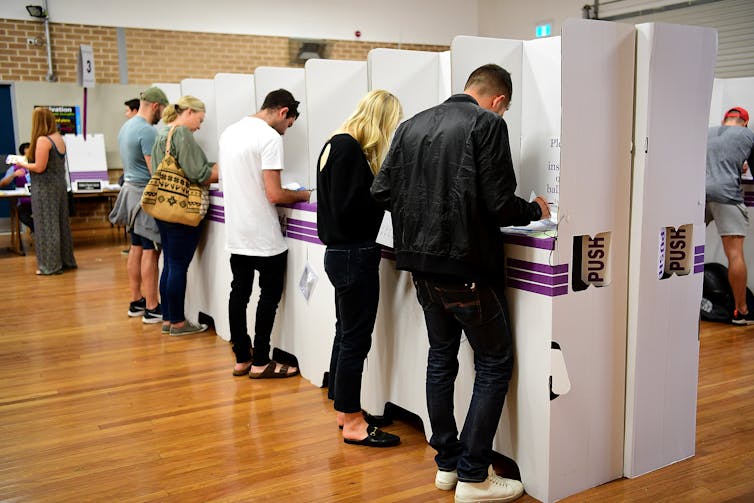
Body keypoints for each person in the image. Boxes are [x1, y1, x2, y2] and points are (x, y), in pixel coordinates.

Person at [371, 64, 550, 503]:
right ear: (498, 100)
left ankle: (448, 465)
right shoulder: (487, 124)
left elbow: (382, 191)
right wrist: (535, 210)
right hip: (467, 266)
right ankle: (473, 475)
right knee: (494, 362)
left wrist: (422, 217)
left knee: (441, 358)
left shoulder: (411, 125)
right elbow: (498, 203)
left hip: (420, 266)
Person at [316, 90, 403, 447]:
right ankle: (352, 420)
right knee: (355, 339)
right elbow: (354, 208)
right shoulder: (351, 149)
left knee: (345, 333)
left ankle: (345, 408)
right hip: (354, 254)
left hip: (339, 254)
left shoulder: (333, 144)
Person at [218, 89, 310, 379]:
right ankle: (261, 361)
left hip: (236, 234)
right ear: (283, 112)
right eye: (289, 125)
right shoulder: (268, 138)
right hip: (264, 236)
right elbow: (273, 194)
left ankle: (242, 359)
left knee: (239, 294)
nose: (285, 132)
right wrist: (304, 194)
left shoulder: (229, 133)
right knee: (268, 297)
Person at [151, 95, 218, 336]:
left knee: (169, 264)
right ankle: (179, 322)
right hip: (182, 211)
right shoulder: (181, 134)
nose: (199, 126)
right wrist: (226, 168)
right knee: (178, 265)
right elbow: (199, 173)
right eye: (199, 119)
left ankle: (169, 319)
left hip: (164, 209)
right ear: (189, 112)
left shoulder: (162, 134)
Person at [110, 87, 168, 324]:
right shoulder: (147, 131)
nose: (162, 117)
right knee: (150, 251)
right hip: (145, 197)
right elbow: (155, 171)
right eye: (162, 111)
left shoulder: (127, 126)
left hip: (130, 192)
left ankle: (137, 301)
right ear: (155, 106)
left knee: (135, 247)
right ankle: (153, 307)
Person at [705, 106, 754, 325]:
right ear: (744, 122)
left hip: (697, 193)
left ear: (725, 120)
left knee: (687, 247)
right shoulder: (747, 135)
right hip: (726, 195)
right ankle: (740, 311)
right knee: (734, 254)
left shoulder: (707, 132)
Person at [17, 108, 78, 275]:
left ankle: (50, 265)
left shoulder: (43, 140)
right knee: (61, 225)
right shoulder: (58, 138)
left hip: (45, 188)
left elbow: (39, 167)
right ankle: (66, 260)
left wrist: (22, 163)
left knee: (46, 226)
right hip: (59, 186)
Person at [1, 143, 33, 232]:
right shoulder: (15, 168)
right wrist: (14, 175)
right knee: (21, 213)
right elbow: (3, 183)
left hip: (39, 199)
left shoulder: (38, 165)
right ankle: (36, 230)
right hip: (24, 202)